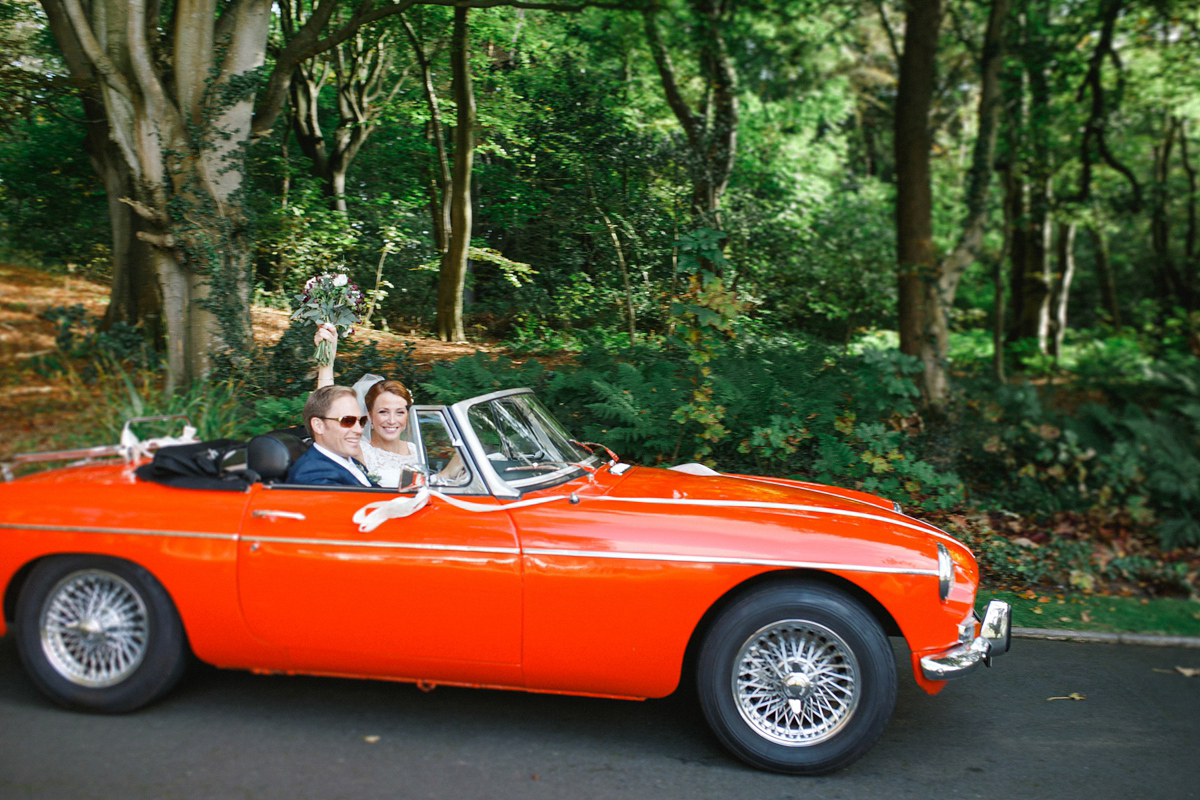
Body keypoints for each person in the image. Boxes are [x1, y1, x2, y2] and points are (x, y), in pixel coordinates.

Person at [312, 323, 419, 488]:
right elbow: (326, 411)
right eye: (383, 412)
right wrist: (327, 363)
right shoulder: (359, 450)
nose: (392, 420)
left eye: (399, 412)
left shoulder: (415, 449)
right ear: (369, 416)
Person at [286, 385, 376, 487]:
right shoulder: (313, 475)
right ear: (318, 426)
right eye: (347, 421)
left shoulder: (351, 461)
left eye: (361, 421)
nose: (359, 430)